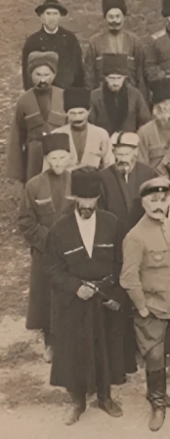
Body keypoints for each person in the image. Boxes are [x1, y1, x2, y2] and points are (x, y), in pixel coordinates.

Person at [47, 167, 129, 425]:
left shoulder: (111, 222)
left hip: (103, 299)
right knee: (74, 352)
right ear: (74, 199)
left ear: (98, 198)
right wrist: (74, 287)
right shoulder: (59, 229)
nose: (86, 205)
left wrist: (111, 290)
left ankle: (105, 397)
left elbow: (119, 262)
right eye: (81, 199)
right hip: (74, 302)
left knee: (106, 349)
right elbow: (51, 269)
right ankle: (77, 401)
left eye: (91, 199)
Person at [120, 176, 170, 431]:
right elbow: (128, 278)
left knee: (163, 355)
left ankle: (159, 395)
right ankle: (157, 404)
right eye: (153, 200)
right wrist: (141, 307)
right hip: (151, 309)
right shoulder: (135, 236)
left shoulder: (169, 225)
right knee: (155, 357)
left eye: (164, 200)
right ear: (143, 203)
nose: (159, 205)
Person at [19, 133, 73, 358]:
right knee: (47, 297)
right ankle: (50, 342)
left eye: (62, 158)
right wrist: (48, 242)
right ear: (46, 159)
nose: (58, 163)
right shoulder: (34, 185)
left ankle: (70, 340)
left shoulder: (76, 180)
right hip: (45, 251)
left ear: (69, 157)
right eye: (53, 158)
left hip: (72, 250)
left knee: (70, 294)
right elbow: (26, 221)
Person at [99, 132, 158, 236]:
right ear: (113, 153)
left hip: (143, 233)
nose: (122, 159)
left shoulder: (148, 174)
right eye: (119, 154)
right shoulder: (104, 176)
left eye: (126, 154)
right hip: (114, 233)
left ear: (135, 152)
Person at [87, 0, 145, 93]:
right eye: (111, 17)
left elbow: (141, 73)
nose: (115, 20)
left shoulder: (134, 41)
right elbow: (89, 73)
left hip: (129, 95)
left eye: (118, 16)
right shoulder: (95, 42)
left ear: (124, 18)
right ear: (105, 18)